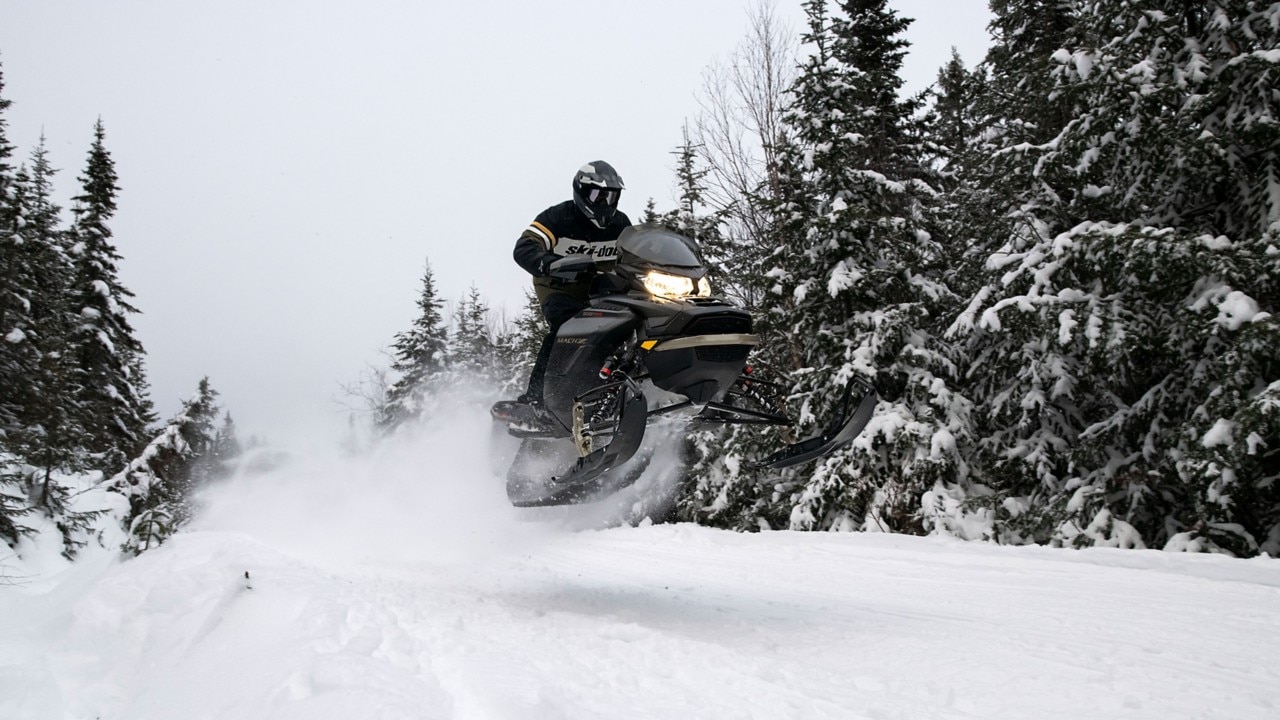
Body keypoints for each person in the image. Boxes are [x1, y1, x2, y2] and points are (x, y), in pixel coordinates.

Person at [512, 161, 631, 410]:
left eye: (611, 196)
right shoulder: (557, 218)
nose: (605, 203)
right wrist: (550, 263)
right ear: (581, 191)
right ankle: (536, 400)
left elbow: (637, 253)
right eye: (598, 195)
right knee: (567, 329)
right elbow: (525, 246)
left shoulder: (620, 224)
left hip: (604, 290)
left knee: (635, 324)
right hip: (559, 288)